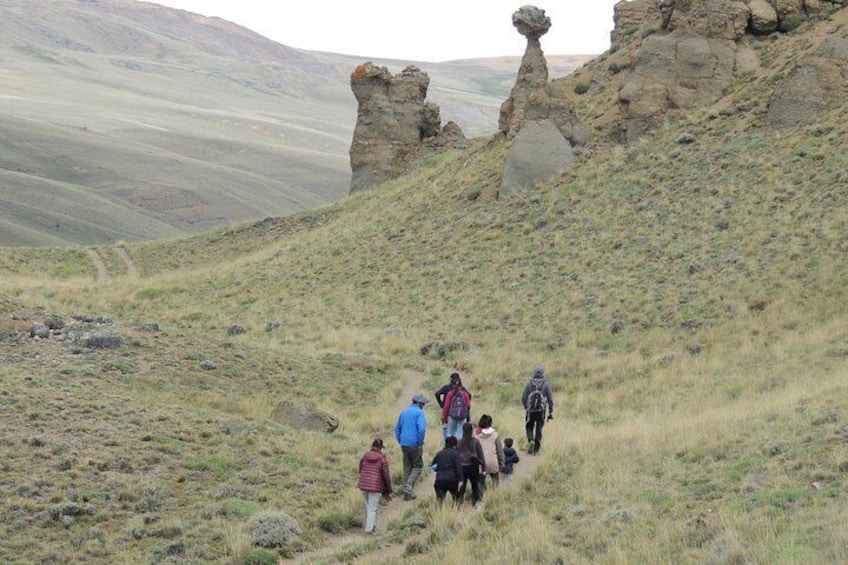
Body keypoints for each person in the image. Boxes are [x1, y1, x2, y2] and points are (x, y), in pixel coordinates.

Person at [395, 394, 429, 500]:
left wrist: (401, 440)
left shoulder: (403, 412)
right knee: (418, 467)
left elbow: (397, 429)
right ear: (418, 403)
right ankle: (408, 486)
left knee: (407, 468)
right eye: (423, 403)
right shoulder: (420, 412)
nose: (424, 405)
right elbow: (422, 429)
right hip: (414, 444)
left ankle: (407, 494)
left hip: (404, 444)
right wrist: (419, 442)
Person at [357, 437, 392, 534]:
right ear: (381, 447)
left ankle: (371, 525)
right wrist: (389, 490)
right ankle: (369, 529)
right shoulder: (382, 459)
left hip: (363, 484)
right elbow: (386, 475)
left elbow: (360, 469)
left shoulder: (365, 455)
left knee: (368, 506)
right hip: (375, 486)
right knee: (372, 508)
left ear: (372, 446)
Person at [522, 365, 554, 455]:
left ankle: (530, 440)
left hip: (530, 411)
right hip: (541, 411)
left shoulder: (529, 383)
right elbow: (550, 399)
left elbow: (524, 397)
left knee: (529, 426)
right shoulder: (546, 384)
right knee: (539, 429)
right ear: (542, 373)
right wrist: (550, 412)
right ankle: (536, 450)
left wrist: (526, 407)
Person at [474, 414, 504, 495]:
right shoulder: (495, 435)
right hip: (493, 462)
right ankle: (495, 497)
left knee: (480, 483)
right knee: (495, 482)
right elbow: (499, 451)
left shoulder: (476, 436)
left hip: (481, 463)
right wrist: (501, 464)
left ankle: (480, 499)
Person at [456, 421, 485, 505]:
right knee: (475, 486)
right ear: (472, 431)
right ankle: (475, 503)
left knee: (461, 487)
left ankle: (458, 505)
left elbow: (456, 457)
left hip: (462, 468)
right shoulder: (476, 442)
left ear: (463, 430)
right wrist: (483, 468)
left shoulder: (458, 442)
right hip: (473, 467)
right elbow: (481, 456)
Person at [435, 373, 472, 438]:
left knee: (449, 433)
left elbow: (445, 406)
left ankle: (449, 446)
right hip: (462, 416)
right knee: (460, 434)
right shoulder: (464, 392)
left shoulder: (449, 392)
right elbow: (469, 405)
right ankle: (458, 446)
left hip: (451, 415)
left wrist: (442, 405)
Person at [430, 435, 464, 505]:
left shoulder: (439, 453)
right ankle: (456, 512)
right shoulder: (456, 454)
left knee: (440, 501)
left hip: (439, 480)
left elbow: (433, 466)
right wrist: (461, 480)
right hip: (452, 480)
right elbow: (459, 468)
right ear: (455, 445)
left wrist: (440, 471)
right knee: (457, 499)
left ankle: (438, 514)